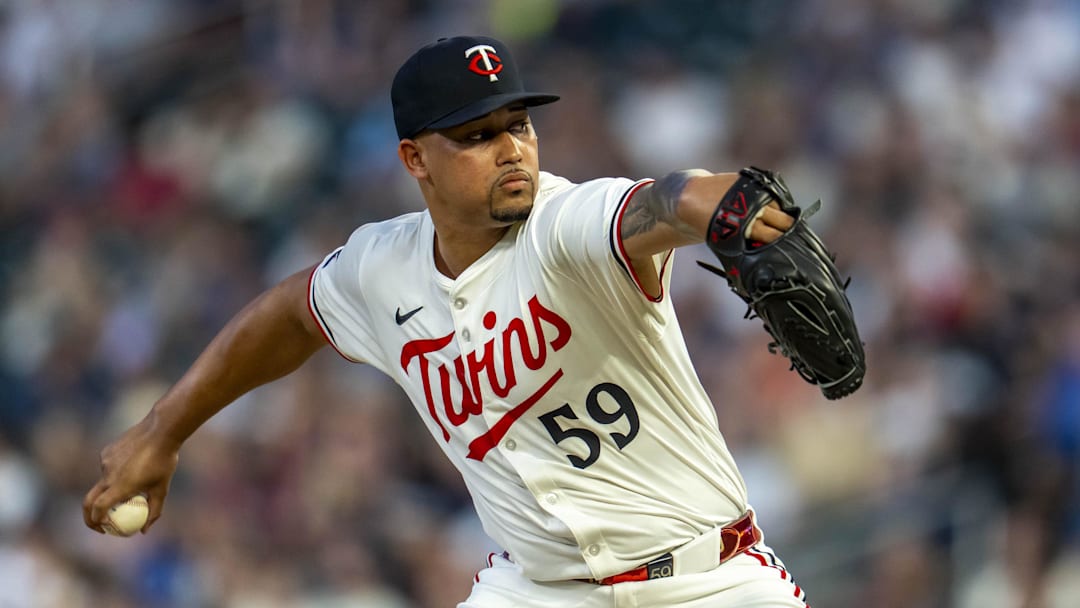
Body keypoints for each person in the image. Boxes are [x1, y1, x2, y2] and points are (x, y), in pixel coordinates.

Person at [84, 35, 811, 607]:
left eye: (519, 124)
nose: (511, 149)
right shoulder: (382, 268)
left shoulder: (564, 225)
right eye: (476, 134)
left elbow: (661, 201)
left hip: (707, 578)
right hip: (539, 591)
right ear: (414, 158)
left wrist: (724, 206)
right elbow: (292, 315)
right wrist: (162, 431)